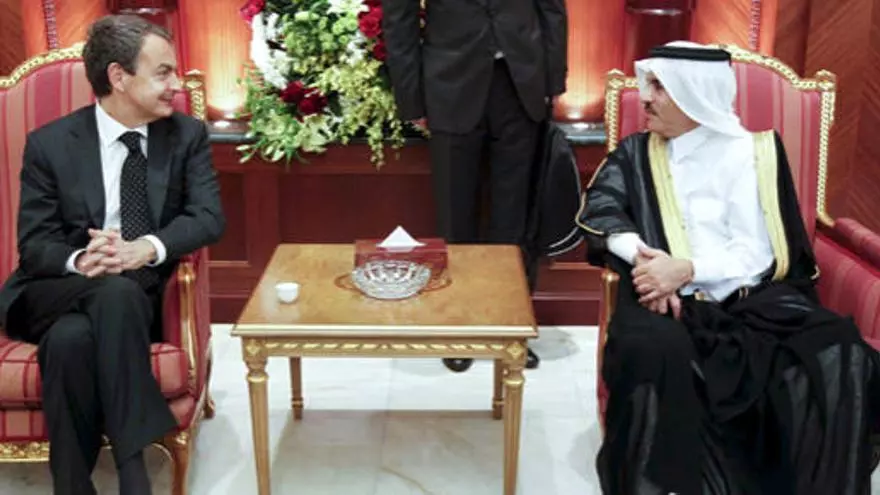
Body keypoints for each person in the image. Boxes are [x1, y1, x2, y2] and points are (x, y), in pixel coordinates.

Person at [578, 41, 879, 495]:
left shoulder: (753, 154)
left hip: (750, 295)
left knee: (842, 354)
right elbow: (601, 209)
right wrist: (647, 261)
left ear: (695, 93)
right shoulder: (636, 152)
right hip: (662, 299)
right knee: (650, 351)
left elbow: (759, 252)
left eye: (659, 87)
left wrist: (687, 269)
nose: (646, 98)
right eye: (648, 85)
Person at [0, 15, 225, 495]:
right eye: (163, 73)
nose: (176, 85)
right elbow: (35, 246)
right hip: (51, 292)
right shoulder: (51, 144)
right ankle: (133, 469)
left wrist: (145, 248)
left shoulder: (185, 136)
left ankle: (72, 485)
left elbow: (209, 218)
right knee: (110, 295)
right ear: (119, 77)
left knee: (72, 340)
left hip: (132, 300)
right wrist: (82, 260)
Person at [382, 0, 568, 370]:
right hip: (449, 84)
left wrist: (553, 79)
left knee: (514, 217)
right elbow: (399, 19)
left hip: (521, 83)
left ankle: (510, 326)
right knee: (455, 215)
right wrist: (411, 98)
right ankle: (458, 326)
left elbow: (552, 9)